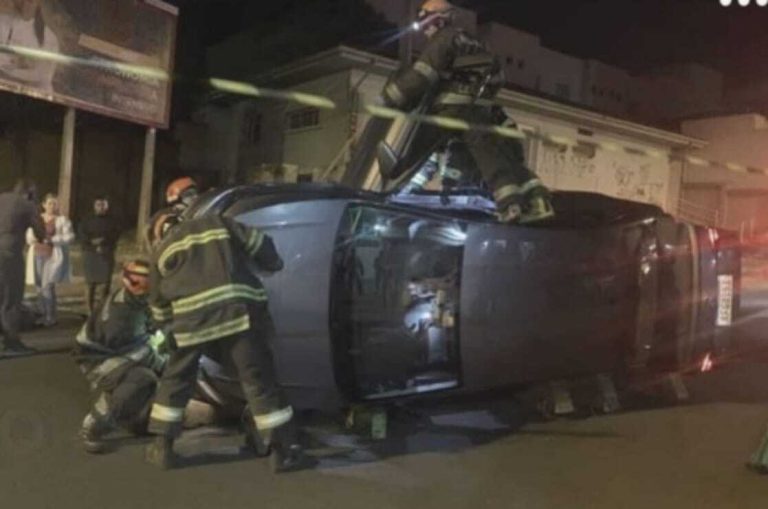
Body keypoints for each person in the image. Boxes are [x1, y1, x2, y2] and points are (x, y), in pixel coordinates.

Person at [145, 212, 313, 473]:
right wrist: (274, 262)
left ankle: (162, 447)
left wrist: (167, 330)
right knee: (258, 379)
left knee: (176, 380)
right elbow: (259, 244)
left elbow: (158, 304)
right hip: (236, 314)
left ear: (159, 232)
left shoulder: (161, 250)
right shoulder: (216, 222)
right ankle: (280, 451)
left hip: (191, 323)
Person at [382, 0, 554, 224]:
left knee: (415, 145)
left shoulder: (445, 38)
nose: (423, 28)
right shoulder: (477, 43)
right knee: (493, 158)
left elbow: (421, 75)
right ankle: (518, 204)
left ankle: (392, 187)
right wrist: (477, 98)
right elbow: (498, 77)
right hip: (477, 111)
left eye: (424, 20)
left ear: (436, 19)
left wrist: (388, 98)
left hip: (450, 111)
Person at [74, 260, 167, 454]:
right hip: (98, 361)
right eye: (148, 287)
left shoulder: (131, 299)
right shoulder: (123, 317)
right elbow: (142, 353)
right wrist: (170, 364)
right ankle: (94, 424)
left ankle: (135, 419)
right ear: (134, 284)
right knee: (143, 378)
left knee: (153, 373)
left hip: (114, 352)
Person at [0, 179, 44, 357]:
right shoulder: (27, 205)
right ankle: (11, 342)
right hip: (9, 257)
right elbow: (41, 232)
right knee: (11, 300)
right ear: (30, 193)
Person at [25, 192, 73, 327]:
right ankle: (42, 313)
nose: (53, 206)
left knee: (48, 286)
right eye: (50, 203)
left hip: (52, 256)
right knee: (39, 287)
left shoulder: (62, 220)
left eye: (55, 203)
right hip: (37, 254)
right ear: (44, 205)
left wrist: (52, 239)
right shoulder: (37, 219)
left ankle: (51, 316)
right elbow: (29, 235)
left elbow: (69, 237)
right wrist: (32, 239)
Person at [0, 0, 60, 93]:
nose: (25, 4)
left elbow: (42, 74)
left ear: (39, 3)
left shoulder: (49, 37)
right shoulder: (2, 22)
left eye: (30, 1)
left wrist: (12, 70)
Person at [78, 196, 121, 315]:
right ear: (94, 206)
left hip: (106, 254)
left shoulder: (112, 220)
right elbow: (81, 234)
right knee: (90, 283)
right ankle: (89, 310)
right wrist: (92, 243)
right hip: (90, 253)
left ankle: (102, 310)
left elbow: (116, 234)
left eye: (103, 205)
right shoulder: (86, 219)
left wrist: (103, 241)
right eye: (98, 205)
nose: (100, 207)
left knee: (105, 284)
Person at [144, 177, 199, 251]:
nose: (195, 197)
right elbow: (148, 231)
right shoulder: (165, 215)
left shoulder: (198, 211)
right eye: (189, 194)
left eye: (195, 193)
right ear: (177, 197)